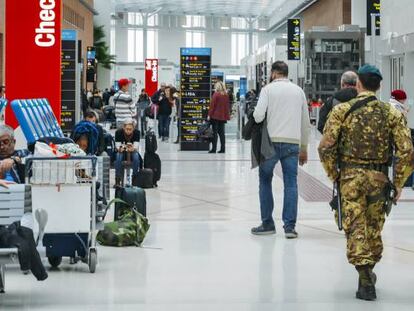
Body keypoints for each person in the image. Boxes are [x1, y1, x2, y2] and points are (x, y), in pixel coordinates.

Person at [318, 64, 413, 301]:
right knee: (373, 227)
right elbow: (406, 150)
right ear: (379, 85)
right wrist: (399, 182)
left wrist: (334, 175)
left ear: (358, 83)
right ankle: (368, 272)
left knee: (355, 226)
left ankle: (364, 274)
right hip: (379, 179)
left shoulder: (341, 111)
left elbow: (325, 147)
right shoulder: (391, 113)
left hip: (350, 178)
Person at [251, 61, 310, 238]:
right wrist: (304, 147)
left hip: (270, 143)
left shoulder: (268, 90)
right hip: (292, 143)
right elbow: (305, 121)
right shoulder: (298, 91)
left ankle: (267, 223)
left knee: (265, 180)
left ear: (274, 73)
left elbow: (258, 115)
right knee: (291, 183)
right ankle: (290, 227)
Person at [115, 119, 141, 186]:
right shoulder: (118, 132)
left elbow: (136, 146)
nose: (128, 131)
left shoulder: (137, 133)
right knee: (118, 156)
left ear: (133, 128)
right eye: (127, 129)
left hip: (132, 151)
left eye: (130, 129)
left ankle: (134, 178)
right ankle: (118, 179)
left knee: (136, 156)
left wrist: (132, 148)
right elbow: (118, 146)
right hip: (122, 152)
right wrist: (122, 148)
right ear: (124, 128)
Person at [207, 81, 230, 153]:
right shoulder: (226, 95)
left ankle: (214, 149)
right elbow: (227, 107)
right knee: (222, 133)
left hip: (215, 116)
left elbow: (212, 106)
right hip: (222, 117)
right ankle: (223, 149)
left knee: (215, 133)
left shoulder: (216, 94)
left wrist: (209, 115)